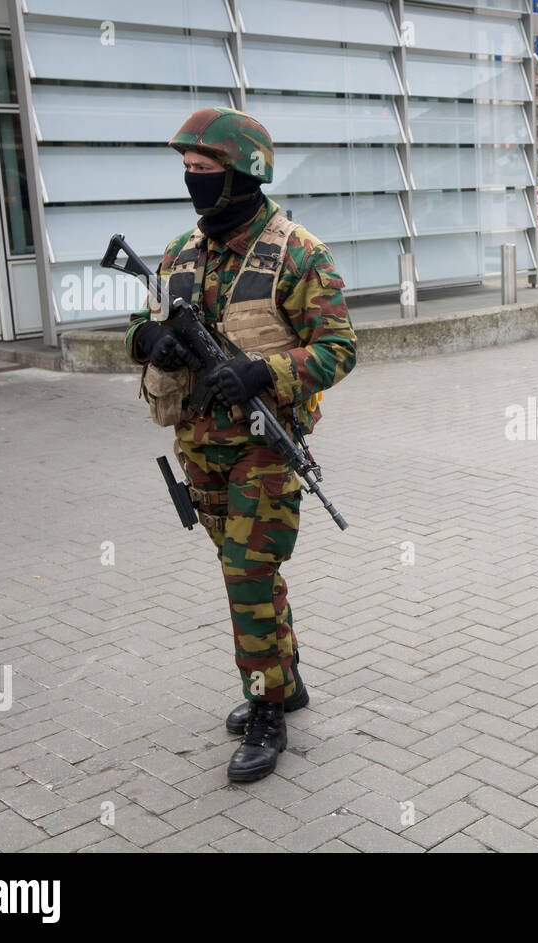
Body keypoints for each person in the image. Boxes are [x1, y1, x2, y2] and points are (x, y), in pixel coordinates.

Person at [124, 107, 357, 783]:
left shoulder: (299, 253)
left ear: (245, 175)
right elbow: (142, 324)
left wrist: (266, 371)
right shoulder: (179, 253)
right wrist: (148, 340)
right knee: (250, 575)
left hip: (263, 450)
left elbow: (340, 350)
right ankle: (285, 679)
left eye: (205, 172)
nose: (193, 183)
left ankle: (266, 711)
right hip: (200, 450)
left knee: (248, 579)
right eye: (188, 172)